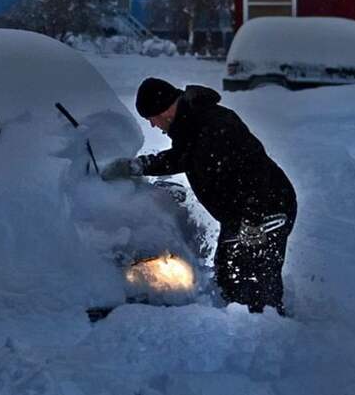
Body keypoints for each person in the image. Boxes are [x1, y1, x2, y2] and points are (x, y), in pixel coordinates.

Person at [102, 77, 297, 315]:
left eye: (150, 118)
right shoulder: (191, 125)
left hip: (267, 210)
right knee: (228, 277)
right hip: (241, 214)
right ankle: (246, 325)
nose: (152, 125)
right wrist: (137, 166)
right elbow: (182, 157)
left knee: (255, 284)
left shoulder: (214, 125)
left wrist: (253, 221)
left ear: (162, 110)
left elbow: (255, 171)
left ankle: (271, 332)